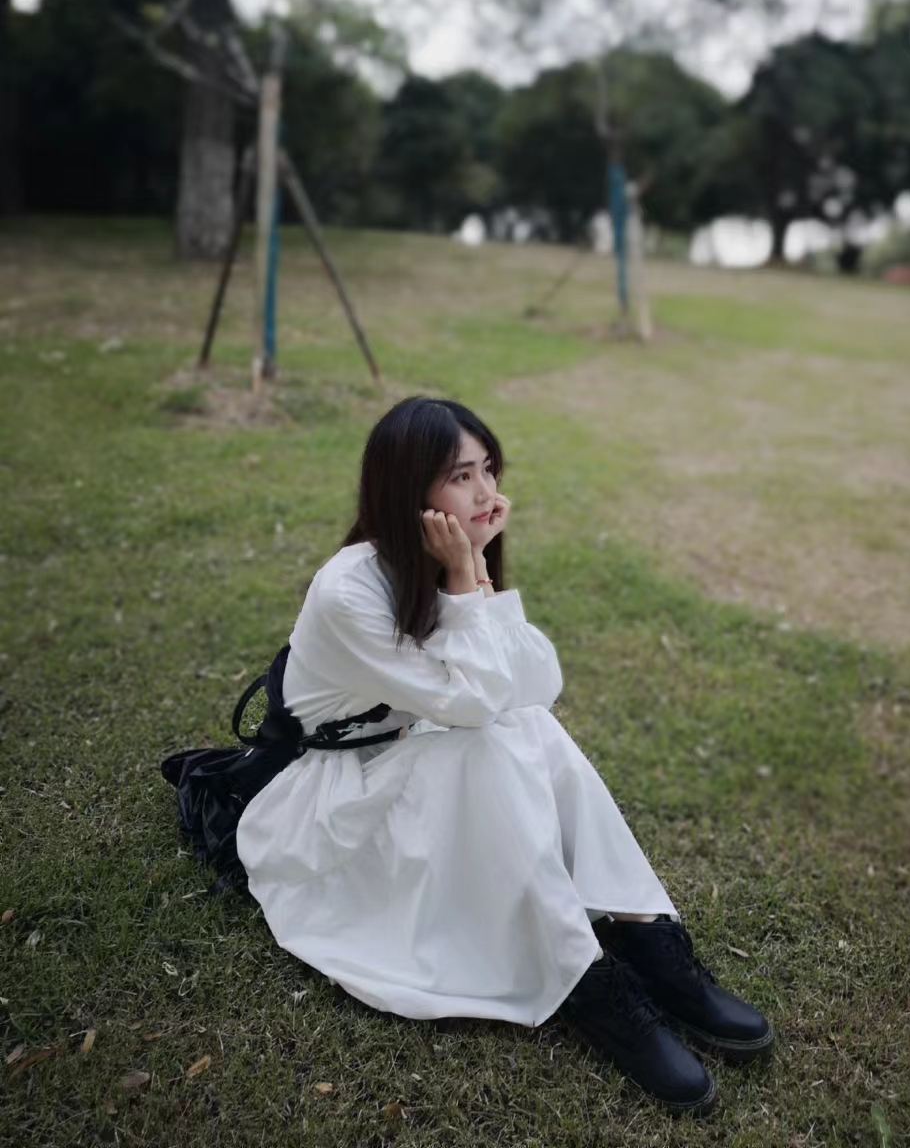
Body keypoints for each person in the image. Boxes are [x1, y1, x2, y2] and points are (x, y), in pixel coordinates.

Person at [236, 396, 772, 1114]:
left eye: (489, 469)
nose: (487, 492)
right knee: (493, 740)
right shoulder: (348, 590)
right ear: (409, 489)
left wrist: (476, 571)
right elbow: (475, 704)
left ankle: (647, 940)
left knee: (526, 728)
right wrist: (468, 578)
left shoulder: (436, 561)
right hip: (335, 803)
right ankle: (588, 984)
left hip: (403, 762)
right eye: (462, 476)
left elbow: (531, 686)